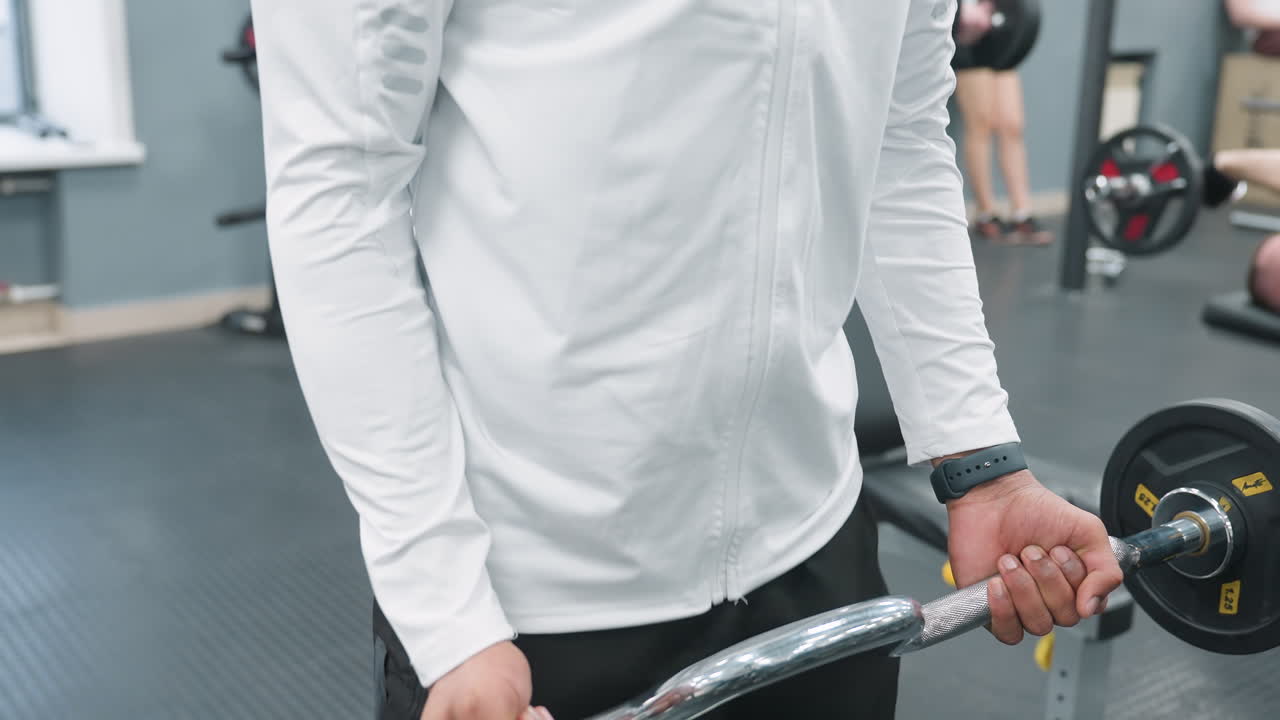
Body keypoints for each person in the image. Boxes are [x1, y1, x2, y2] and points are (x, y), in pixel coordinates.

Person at [250, 2, 1123, 719]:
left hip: (815, 551)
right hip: (527, 600)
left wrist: (981, 463)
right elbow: (339, 190)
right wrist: (449, 616)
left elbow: (898, 137)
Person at [951, 0, 1053, 245]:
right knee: (981, 123)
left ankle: (1022, 213)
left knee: (1012, 124)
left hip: (1002, 28)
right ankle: (986, 213)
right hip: (970, 33)